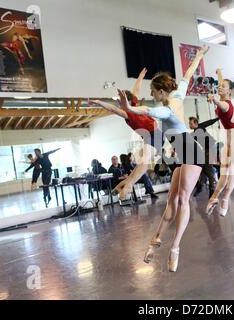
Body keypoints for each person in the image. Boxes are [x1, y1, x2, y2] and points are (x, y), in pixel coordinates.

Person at [117, 46, 209, 272]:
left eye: (153, 90)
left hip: (193, 153)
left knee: (182, 199)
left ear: (160, 91)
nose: (152, 94)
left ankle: (175, 246)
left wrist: (129, 107)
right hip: (183, 155)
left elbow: (148, 111)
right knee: (171, 200)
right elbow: (188, 75)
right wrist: (198, 56)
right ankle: (156, 240)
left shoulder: (166, 109)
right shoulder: (178, 94)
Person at [89, 68, 162, 198]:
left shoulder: (128, 113)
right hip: (151, 136)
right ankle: (124, 183)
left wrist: (99, 102)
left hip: (154, 134)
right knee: (141, 163)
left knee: (144, 161)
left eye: (120, 101)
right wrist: (139, 77)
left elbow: (113, 109)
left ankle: (128, 184)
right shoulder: (132, 105)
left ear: (126, 102)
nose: (118, 103)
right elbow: (136, 89)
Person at [206, 68, 234, 217]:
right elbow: (221, 90)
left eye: (223, 86)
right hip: (227, 136)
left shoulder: (227, 104)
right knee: (224, 170)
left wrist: (214, 98)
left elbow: (221, 104)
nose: (220, 87)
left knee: (232, 169)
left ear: (229, 92)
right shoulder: (223, 98)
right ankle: (214, 197)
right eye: (220, 85)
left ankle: (226, 199)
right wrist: (219, 73)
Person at [189, 116, 219, 198]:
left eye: (191, 123)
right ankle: (200, 187)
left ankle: (211, 190)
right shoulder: (193, 134)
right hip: (206, 150)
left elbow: (210, 121)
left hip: (211, 148)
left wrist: (219, 117)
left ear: (196, 123)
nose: (189, 125)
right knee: (202, 169)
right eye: (189, 123)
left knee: (208, 170)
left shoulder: (201, 126)